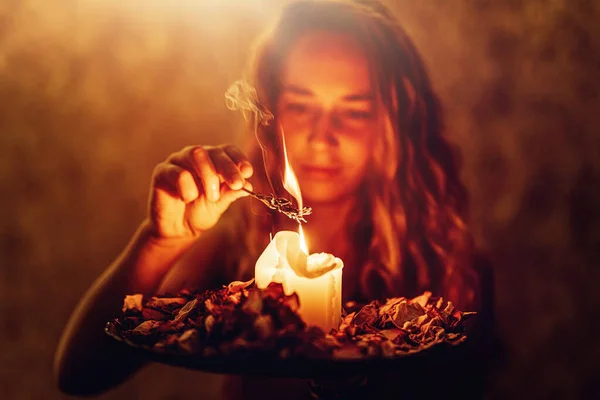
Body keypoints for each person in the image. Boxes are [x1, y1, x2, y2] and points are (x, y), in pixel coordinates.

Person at [54, 0, 495, 398]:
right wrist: (161, 241)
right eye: (301, 105)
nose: (323, 137)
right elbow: (81, 374)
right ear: (271, 110)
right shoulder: (232, 245)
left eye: (354, 111)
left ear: (393, 124)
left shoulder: (451, 265)